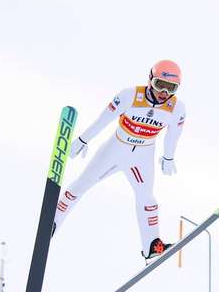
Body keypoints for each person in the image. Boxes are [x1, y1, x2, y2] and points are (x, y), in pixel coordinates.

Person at [53, 60, 187, 262]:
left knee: (147, 198)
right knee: (80, 185)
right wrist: (83, 139)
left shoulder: (176, 108)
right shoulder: (130, 95)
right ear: (151, 79)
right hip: (115, 148)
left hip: (142, 156)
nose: (164, 93)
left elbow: (173, 135)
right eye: (161, 84)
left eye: (171, 88)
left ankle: (152, 245)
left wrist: (168, 157)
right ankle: (52, 223)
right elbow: (103, 119)